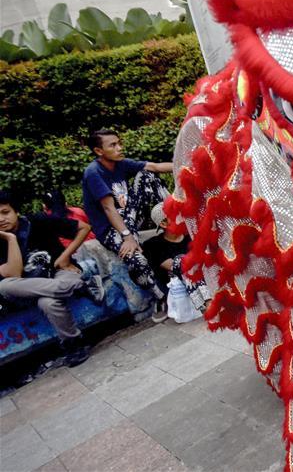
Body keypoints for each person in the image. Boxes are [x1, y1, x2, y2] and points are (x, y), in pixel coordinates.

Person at [0, 189, 104, 367]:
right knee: (4, 286)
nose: (1, 219)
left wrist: (65, 256)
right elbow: (14, 275)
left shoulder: (37, 221)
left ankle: (74, 343)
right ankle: (83, 285)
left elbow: (83, 227)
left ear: (16, 211)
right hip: (27, 288)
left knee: (47, 302)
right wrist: (10, 240)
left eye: (5, 212)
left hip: (58, 273)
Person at [81, 129, 173, 316]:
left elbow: (154, 167)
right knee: (136, 259)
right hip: (110, 228)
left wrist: (188, 166)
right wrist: (127, 236)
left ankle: (176, 217)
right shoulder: (93, 172)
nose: (119, 148)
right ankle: (161, 298)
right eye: (113, 145)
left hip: (129, 218)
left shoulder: (120, 164)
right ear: (99, 151)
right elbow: (109, 208)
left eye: (119, 143)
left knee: (147, 175)